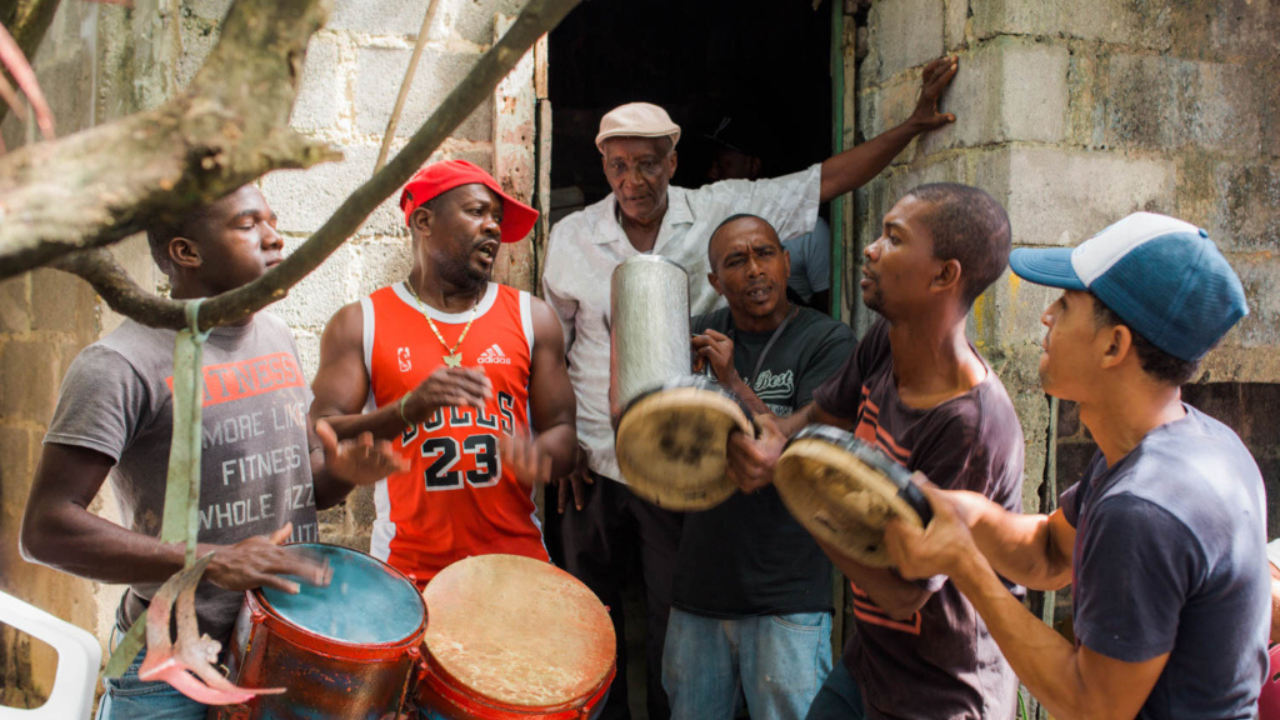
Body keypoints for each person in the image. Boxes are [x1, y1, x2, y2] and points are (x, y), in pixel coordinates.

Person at [543, 56, 960, 720]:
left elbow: (822, 181)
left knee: (665, 610)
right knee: (586, 616)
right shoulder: (570, 238)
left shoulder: (722, 213)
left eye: (648, 162)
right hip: (593, 461)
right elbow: (554, 349)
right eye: (619, 164)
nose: (634, 178)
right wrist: (558, 437)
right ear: (603, 168)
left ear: (673, 161)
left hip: (678, 465)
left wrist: (910, 125)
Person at [19, 185, 407, 720]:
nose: (276, 238)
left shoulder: (274, 336)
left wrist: (340, 474)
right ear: (186, 252)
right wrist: (211, 560)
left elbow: (291, 493)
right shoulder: (118, 363)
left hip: (279, 654)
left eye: (273, 220)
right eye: (249, 225)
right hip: (169, 668)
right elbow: (45, 529)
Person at [884, 212, 1266, 720]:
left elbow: (1094, 707)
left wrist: (966, 568)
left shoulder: (1146, 506)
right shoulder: (1192, 443)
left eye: (1064, 304)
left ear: (1114, 345)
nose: (1046, 316)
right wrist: (967, 517)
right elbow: (1049, 552)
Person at [726, 184, 1025, 719]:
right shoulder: (887, 340)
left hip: (942, 690)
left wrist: (796, 487)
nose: (869, 248)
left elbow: (903, 594)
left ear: (943, 276)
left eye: (893, 238)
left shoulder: (971, 425)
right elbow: (820, 418)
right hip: (872, 663)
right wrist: (773, 440)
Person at [310, 159, 577, 588]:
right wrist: (407, 410)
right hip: (409, 577)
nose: (492, 227)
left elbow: (563, 431)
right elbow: (322, 434)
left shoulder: (534, 318)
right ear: (423, 221)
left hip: (517, 569)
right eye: (476, 212)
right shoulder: (361, 323)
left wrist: (542, 454)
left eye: (497, 218)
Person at [662, 214, 855, 720]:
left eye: (765, 254)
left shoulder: (828, 341)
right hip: (700, 591)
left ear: (787, 261)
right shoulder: (692, 338)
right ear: (714, 282)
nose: (754, 270)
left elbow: (805, 451)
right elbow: (662, 441)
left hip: (787, 592)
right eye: (735, 261)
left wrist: (732, 384)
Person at [705, 114, 832, 311]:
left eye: (722, 164)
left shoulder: (810, 232)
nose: (712, 173)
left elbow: (830, 307)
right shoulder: (706, 225)